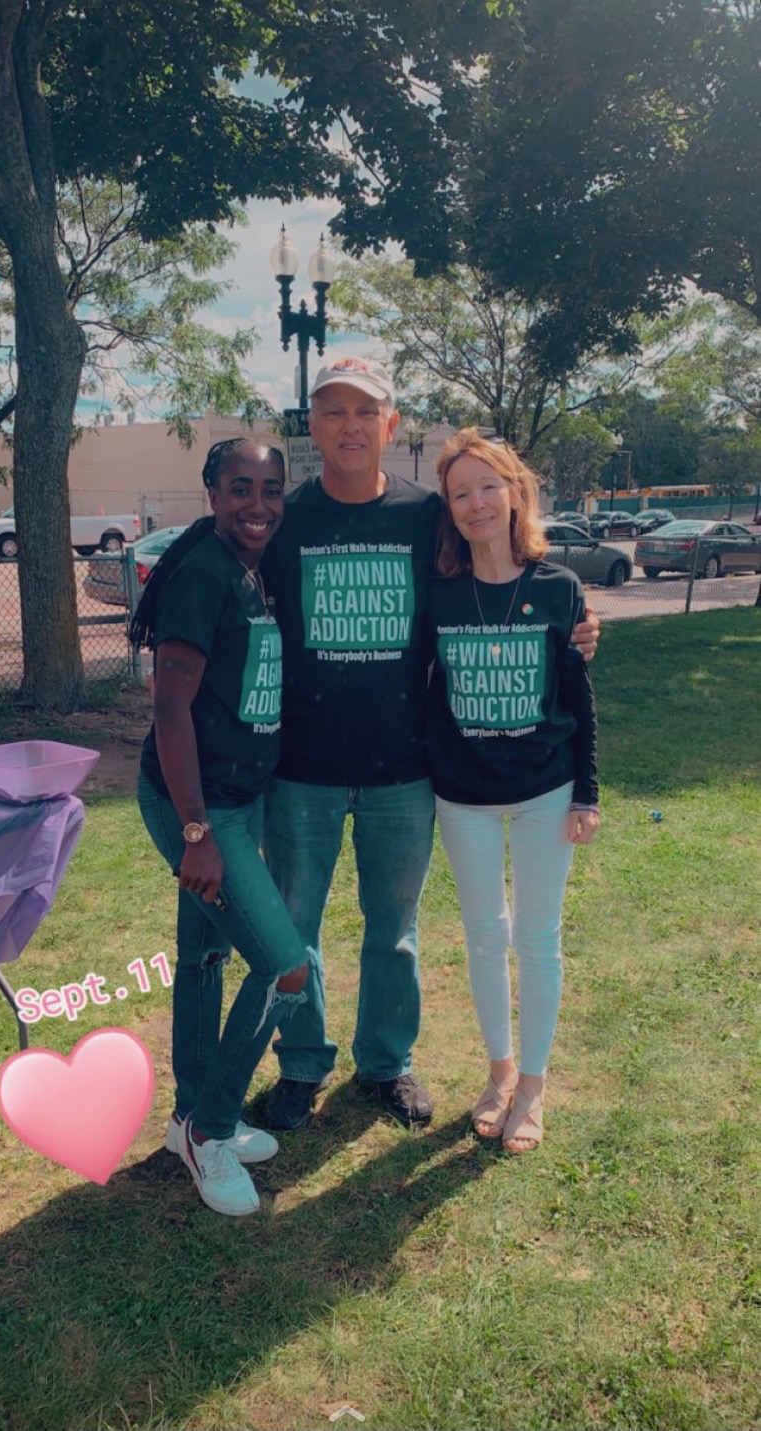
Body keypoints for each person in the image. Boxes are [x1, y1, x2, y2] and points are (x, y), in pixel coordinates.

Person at [258, 356, 601, 1133]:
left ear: (391, 424)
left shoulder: (426, 516)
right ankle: (303, 1062)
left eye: (364, 411)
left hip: (406, 769)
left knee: (395, 930)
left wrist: (575, 625)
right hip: (301, 768)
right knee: (294, 926)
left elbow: (501, 567)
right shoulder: (288, 518)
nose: (349, 425)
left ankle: (385, 1063)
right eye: (333, 410)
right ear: (312, 424)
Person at [131, 438, 311, 1216]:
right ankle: (212, 1129)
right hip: (197, 806)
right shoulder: (204, 575)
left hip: (233, 798)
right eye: (241, 487)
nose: (258, 504)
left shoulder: (248, 569)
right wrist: (197, 830)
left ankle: (183, 1118)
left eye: (272, 490)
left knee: (203, 958)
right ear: (210, 491)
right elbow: (169, 707)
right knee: (284, 968)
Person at [427, 429, 600, 1153]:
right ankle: (498, 1072)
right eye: (460, 492)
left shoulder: (559, 589)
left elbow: (578, 696)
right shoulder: (436, 596)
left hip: (545, 790)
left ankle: (533, 1084)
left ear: (515, 492)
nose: (476, 503)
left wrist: (586, 792)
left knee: (536, 936)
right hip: (462, 792)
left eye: (487, 486)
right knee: (482, 934)